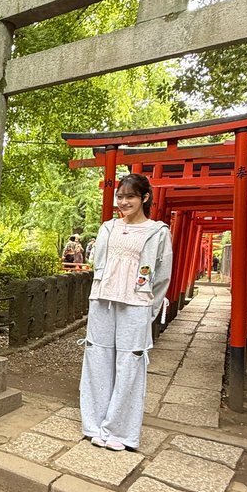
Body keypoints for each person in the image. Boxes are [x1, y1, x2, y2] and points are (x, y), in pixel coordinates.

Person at [79, 174, 172, 451]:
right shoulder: (108, 228)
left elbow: (162, 276)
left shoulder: (158, 232)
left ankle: (119, 430)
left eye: (130, 196)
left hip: (136, 303)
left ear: (144, 198)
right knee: (97, 358)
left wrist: (149, 310)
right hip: (102, 300)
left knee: (130, 363)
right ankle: (94, 424)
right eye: (120, 197)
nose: (123, 202)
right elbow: (98, 265)